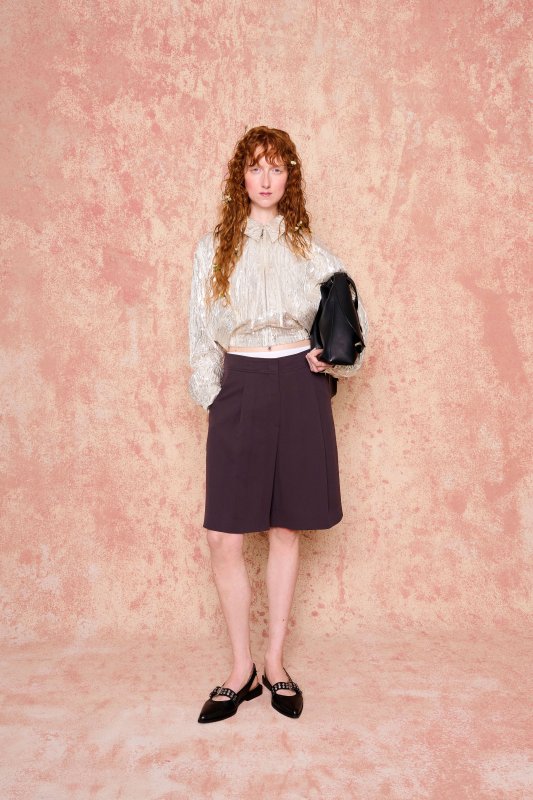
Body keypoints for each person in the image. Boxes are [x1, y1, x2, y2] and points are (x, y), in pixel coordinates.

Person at [188, 126, 369, 723]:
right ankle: (239, 669)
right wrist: (217, 398)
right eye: (255, 167)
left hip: (297, 384)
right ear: (240, 177)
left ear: (289, 178)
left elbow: (350, 315)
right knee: (224, 536)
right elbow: (199, 334)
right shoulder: (213, 249)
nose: (265, 179)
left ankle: (274, 664)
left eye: (277, 168)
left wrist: (331, 357)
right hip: (239, 383)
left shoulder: (309, 248)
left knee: (286, 528)